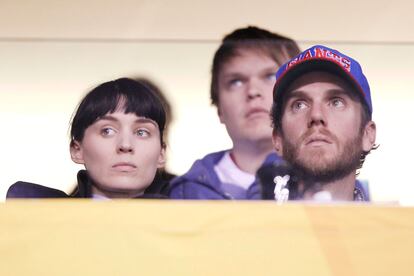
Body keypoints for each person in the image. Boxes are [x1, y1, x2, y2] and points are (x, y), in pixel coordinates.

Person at [169, 26, 301, 199]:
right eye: (236, 82)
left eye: (270, 76)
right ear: (219, 108)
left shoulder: (334, 180)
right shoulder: (187, 193)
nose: (253, 91)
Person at [7, 78, 168, 199]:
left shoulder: (188, 219)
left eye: (142, 132)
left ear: (161, 153)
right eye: (107, 131)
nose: (125, 145)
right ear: (77, 149)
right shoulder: (32, 214)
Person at [269, 45, 377, 201]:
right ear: (278, 138)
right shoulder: (243, 225)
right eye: (299, 104)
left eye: (336, 102)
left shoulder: (402, 225)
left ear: (367, 134)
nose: (316, 115)